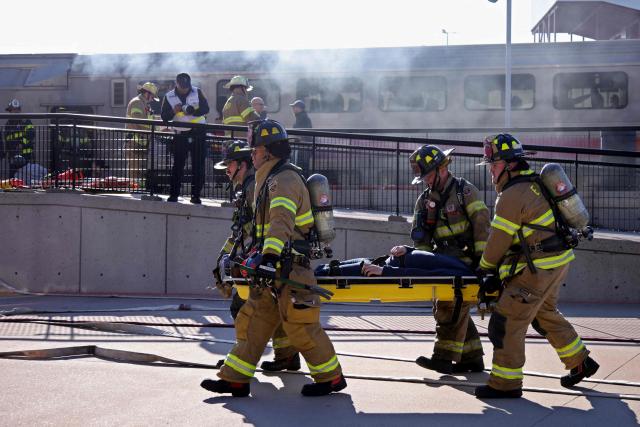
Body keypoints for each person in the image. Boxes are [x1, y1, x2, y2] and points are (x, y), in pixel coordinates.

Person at [201, 119, 346, 398]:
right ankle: (235, 379)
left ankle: (332, 378)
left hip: (290, 270)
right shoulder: (268, 179)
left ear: (268, 151)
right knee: (252, 319)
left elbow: (281, 223)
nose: (251, 155)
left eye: (254, 150)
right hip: (274, 269)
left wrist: (267, 259)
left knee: (300, 326)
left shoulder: (284, 179)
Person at [474, 134, 599, 399]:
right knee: (544, 313)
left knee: (506, 321)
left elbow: (498, 241)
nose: (491, 171)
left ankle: (506, 384)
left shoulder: (511, 195)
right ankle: (580, 361)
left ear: (508, 165)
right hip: (558, 261)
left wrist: (484, 269)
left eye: (493, 165)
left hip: (539, 268)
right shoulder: (533, 184)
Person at [212, 139, 300, 372]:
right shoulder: (249, 187)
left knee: (242, 308)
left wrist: (247, 258)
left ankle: (239, 359)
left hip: (263, 258)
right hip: (263, 256)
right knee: (275, 307)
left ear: (242, 165)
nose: (227, 170)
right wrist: (224, 255)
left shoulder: (254, 187)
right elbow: (241, 230)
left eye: (229, 165)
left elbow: (259, 227)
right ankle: (287, 355)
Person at [407, 144, 490, 375]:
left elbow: (482, 228)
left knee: (450, 308)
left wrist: (483, 265)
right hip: (440, 264)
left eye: (427, 175)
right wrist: (423, 266)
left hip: (466, 263)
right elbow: (420, 239)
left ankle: (442, 358)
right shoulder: (424, 201)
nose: (424, 181)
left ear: (441, 168)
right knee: (450, 308)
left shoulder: (465, 192)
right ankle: (471, 358)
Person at [160, 73, 209, 204]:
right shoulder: (169, 96)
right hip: (180, 134)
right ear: (177, 84)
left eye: (187, 87)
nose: (185, 89)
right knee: (178, 165)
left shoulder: (197, 92)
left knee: (198, 166)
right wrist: (173, 112)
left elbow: (206, 109)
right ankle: (174, 194)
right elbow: (164, 116)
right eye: (182, 87)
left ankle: (196, 195)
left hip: (198, 132)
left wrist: (193, 111)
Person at [315, 248, 473, 277]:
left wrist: (385, 272)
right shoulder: (457, 262)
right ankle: (319, 271)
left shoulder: (458, 272)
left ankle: (319, 273)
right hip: (389, 261)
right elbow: (428, 257)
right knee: (363, 262)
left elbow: (422, 275)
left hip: (390, 269)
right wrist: (406, 248)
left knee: (361, 268)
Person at [125, 82, 159, 181]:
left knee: (140, 170)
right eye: (152, 96)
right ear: (147, 94)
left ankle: (138, 190)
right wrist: (154, 131)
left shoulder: (144, 104)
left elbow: (149, 121)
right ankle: (134, 190)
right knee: (134, 169)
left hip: (141, 141)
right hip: (134, 142)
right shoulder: (137, 102)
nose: (153, 99)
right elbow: (138, 122)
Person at [3, 99, 35, 178]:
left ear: (19, 110)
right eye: (10, 110)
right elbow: (7, 139)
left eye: (14, 110)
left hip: (24, 154)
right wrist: (6, 152)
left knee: (24, 176)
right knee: (13, 177)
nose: (11, 112)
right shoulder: (8, 123)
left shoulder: (25, 121)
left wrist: (21, 144)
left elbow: (31, 134)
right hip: (12, 155)